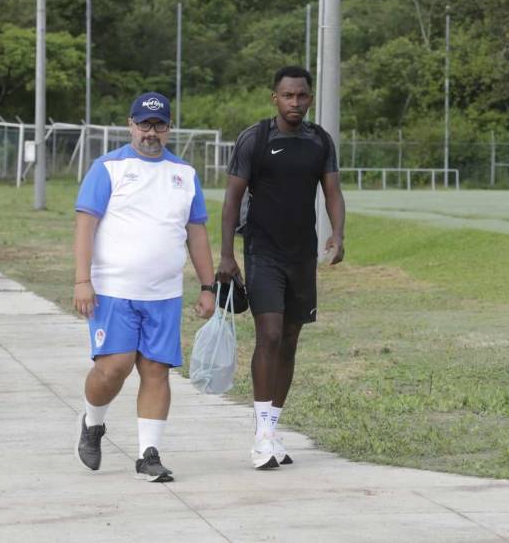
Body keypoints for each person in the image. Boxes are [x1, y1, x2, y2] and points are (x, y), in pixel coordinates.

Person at [73, 91, 216, 482]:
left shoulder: (184, 175)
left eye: (159, 125)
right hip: (114, 291)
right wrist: (82, 280)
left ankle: (148, 455)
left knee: (156, 370)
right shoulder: (108, 168)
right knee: (113, 368)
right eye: (144, 124)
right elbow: (86, 225)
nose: (150, 132)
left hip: (164, 294)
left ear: (169, 128)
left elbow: (197, 233)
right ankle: (93, 422)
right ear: (130, 125)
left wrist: (208, 286)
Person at [217, 66, 346, 470]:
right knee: (269, 334)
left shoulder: (319, 140)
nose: (295, 103)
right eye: (288, 96)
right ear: (274, 97)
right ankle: (261, 436)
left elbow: (333, 192)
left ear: (309, 98)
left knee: (289, 340)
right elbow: (232, 201)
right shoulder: (255, 139)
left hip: (301, 256)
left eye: (302, 96)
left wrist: (338, 235)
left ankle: (271, 430)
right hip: (262, 252)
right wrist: (226, 255)